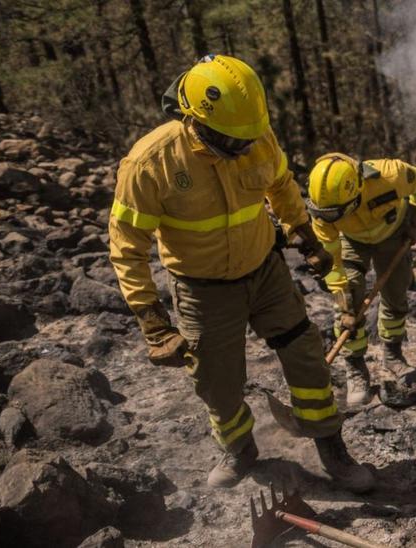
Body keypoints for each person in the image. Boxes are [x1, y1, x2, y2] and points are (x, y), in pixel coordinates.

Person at [108, 54, 373, 492]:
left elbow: (282, 184)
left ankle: (332, 447)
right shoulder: (150, 163)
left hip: (265, 271)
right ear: (193, 119)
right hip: (202, 288)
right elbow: (126, 246)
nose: (244, 149)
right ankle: (239, 450)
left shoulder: (254, 135)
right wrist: (151, 320)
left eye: (249, 140)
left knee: (306, 355)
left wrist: (303, 235)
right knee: (217, 380)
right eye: (232, 142)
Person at [305, 152, 416, 409]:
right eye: (326, 215)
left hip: (394, 233)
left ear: (357, 189)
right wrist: (344, 303)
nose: (330, 219)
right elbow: (333, 264)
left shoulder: (391, 175)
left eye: (336, 213)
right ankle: (355, 368)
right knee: (348, 302)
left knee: (396, 295)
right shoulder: (324, 212)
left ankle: (392, 353)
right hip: (352, 242)